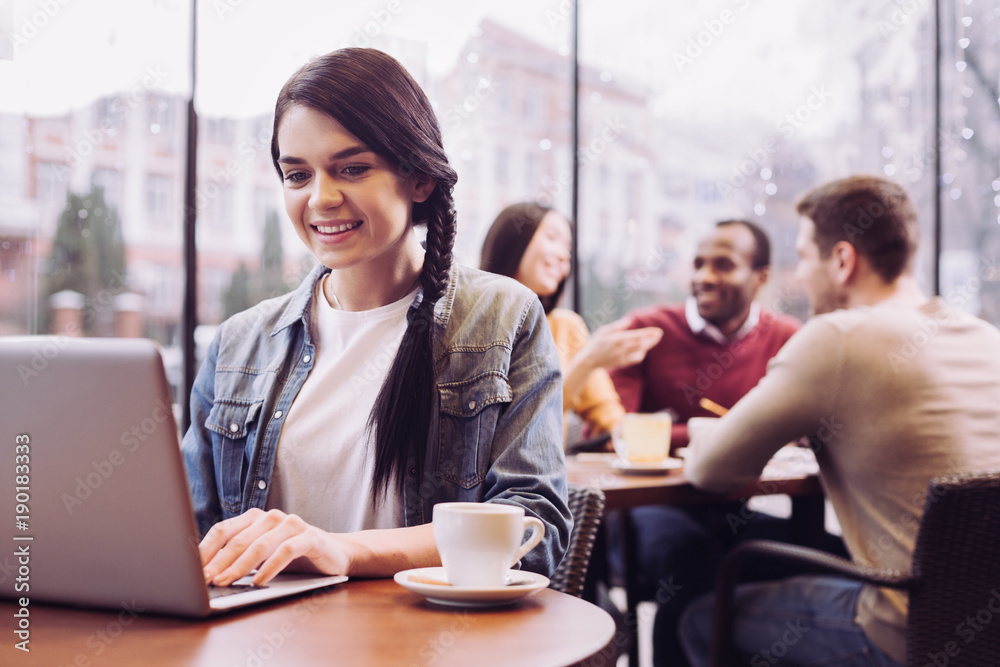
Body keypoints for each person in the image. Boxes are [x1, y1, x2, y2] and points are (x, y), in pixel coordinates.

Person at [181, 48, 571, 589]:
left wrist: (340, 551)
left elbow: (535, 530)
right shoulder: (240, 343)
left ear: (419, 179)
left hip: (426, 641)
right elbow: (185, 535)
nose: (321, 198)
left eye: (352, 168)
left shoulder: (502, 318)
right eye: (297, 175)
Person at [679, 175, 1000, 666]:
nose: (799, 276)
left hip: (903, 631)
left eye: (805, 257)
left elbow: (712, 471)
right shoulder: (985, 337)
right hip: (987, 633)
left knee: (701, 617)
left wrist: (702, 435)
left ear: (843, 260)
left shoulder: (838, 338)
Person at [606, 219, 818, 667]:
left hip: (730, 507)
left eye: (723, 265)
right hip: (647, 510)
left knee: (819, 550)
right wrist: (738, 428)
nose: (704, 276)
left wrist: (681, 430)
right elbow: (611, 433)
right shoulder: (647, 330)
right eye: (699, 263)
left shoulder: (787, 339)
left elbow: (808, 428)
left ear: (761, 276)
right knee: (692, 561)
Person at [480, 202, 662, 442]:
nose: (564, 255)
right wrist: (588, 362)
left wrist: (631, 438)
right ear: (511, 242)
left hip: (548, 479)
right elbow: (513, 429)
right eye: (552, 238)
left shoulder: (565, 327)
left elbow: (609, 421)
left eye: (568, 248)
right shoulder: (472, 325)